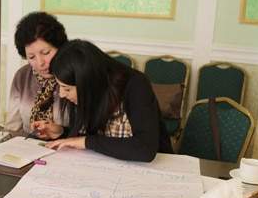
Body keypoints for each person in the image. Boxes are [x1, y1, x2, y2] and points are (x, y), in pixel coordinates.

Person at [33, 39, 173, 162]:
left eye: (67, 88)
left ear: (88, 83)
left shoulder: (135, 86)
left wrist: (87, 141)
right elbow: (88, 139)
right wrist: (61, 132)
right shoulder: (81, 95)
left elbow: (144, 149)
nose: (62, 94)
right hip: (105, 169)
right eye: (60, 87)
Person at [5, 11, 69, 134]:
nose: (40, 63)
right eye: (31, 57)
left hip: (69, 149)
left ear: (60, 47)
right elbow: (13, 128)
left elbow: (89, 133)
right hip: (27, 148)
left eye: (45, 53)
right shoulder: (22, 76)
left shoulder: (74, 74)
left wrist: (61, 132)